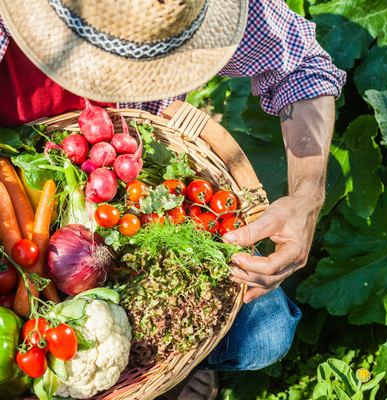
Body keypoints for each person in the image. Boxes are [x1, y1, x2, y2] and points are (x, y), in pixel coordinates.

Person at [0, 0, 345, 399]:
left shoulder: (194, 6)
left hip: (138, 199)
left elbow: (302, 63)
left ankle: (162, 372)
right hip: (19, 185)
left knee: (267, 332)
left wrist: (307, 195)